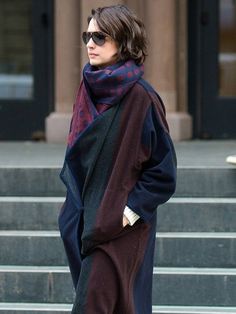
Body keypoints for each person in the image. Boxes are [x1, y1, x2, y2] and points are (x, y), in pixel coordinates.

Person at [58, 4, 177, 314]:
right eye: (87, 36)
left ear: (123, 41)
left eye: (100, 36)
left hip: (119, 229)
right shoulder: (87, 89)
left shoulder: (142, 97)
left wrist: (126, 213)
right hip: (86, 224)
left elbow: (163, 173)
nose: (90, 44)